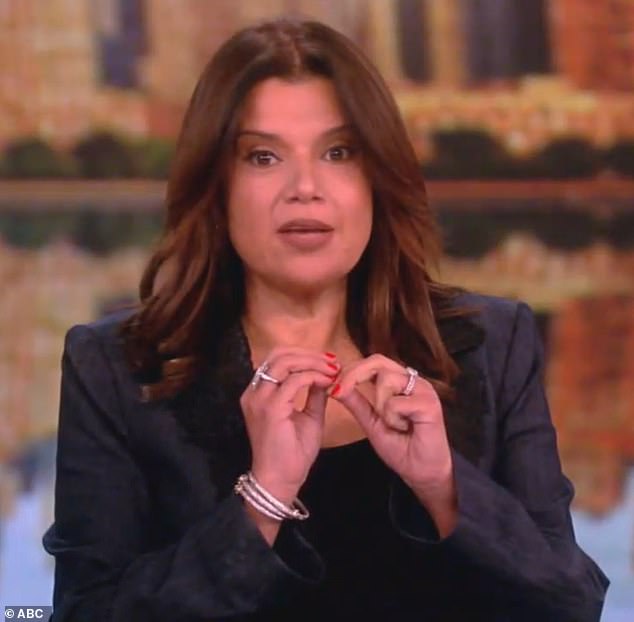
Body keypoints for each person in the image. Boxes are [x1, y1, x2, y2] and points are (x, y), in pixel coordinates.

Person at [43, 16, 608, 621]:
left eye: (338, 153)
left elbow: (568, 606)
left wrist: (445, 487)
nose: (305, 188)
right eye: (263, 157)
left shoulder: (492, 345)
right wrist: (262, 501)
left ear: (377, 178)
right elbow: (84, 612)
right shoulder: (118, 369)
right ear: (217, 186)